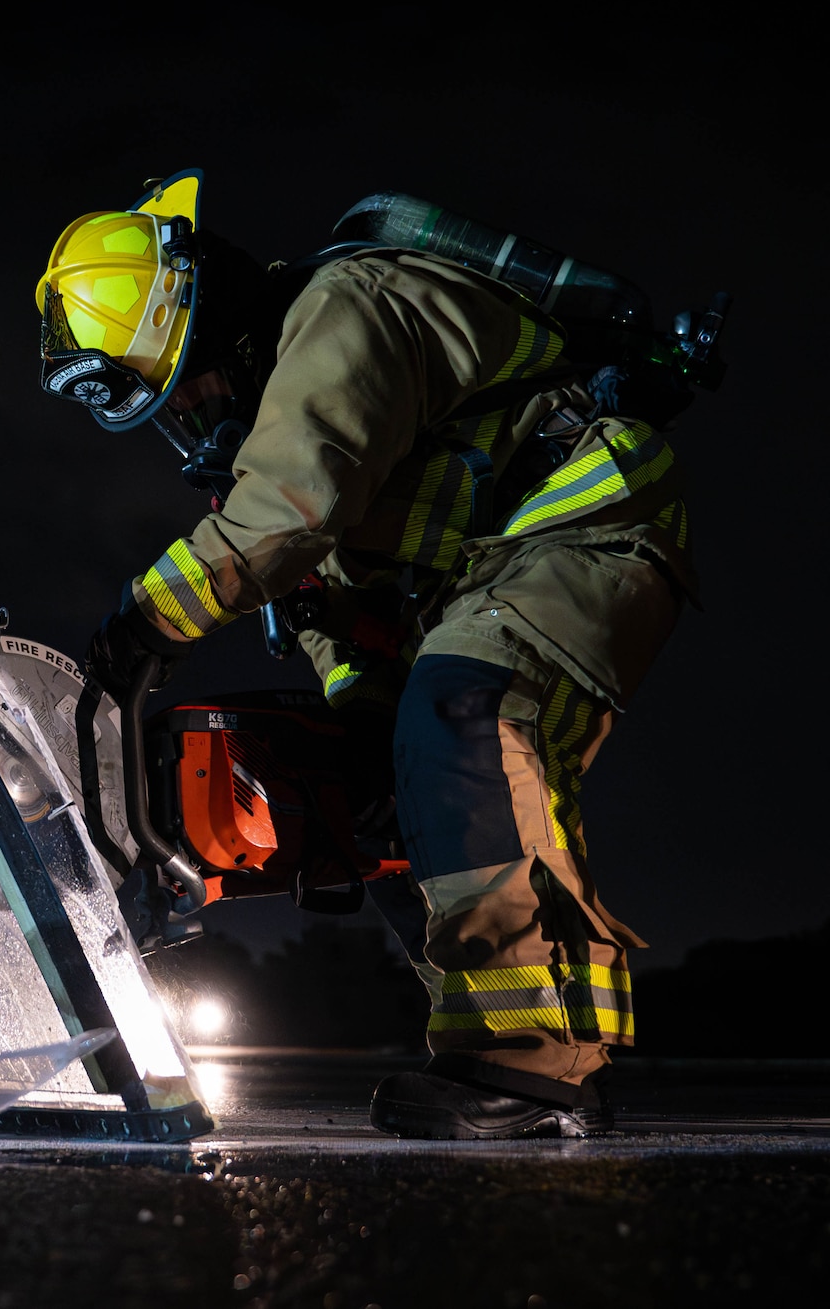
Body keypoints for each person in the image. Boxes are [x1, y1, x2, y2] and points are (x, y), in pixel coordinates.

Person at [39, 171, 697, 1139]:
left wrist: (138, 622)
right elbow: (326, 596)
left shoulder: (343, 312)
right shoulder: (278, 413)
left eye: (192, 391)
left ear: (211, 324)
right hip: (487, 567)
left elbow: (287, 517)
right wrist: (357, 718)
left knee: (462, 714)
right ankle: (520, 1051)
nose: (194, 419)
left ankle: (525, 1061)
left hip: (587, 519)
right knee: (390, 770)